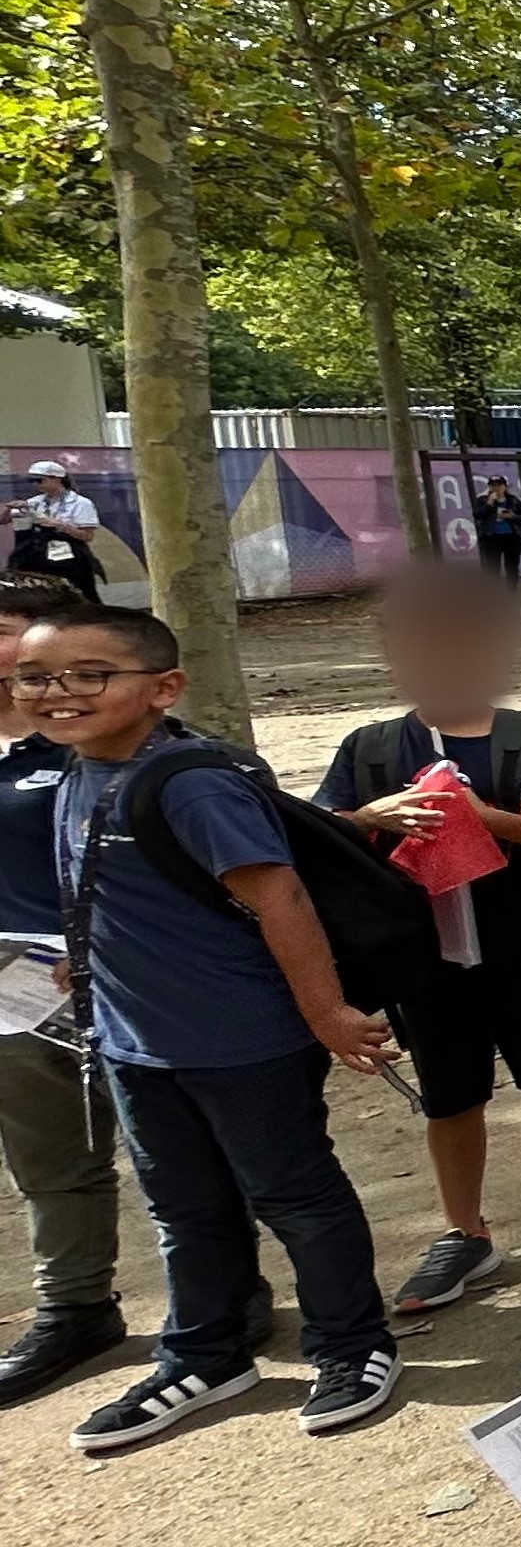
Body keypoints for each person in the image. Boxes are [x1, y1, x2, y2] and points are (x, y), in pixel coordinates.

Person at [28, 603, 400, 1452]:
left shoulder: (192, 783)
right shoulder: (80, 769)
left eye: (90, 675)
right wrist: (86, 960)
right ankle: (205, 1353)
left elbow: (280, 895)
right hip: (134, 1042)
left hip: (241, 1041)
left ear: (164, 688)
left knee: (293, 1196)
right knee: (182, 1206)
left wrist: (327, 1013)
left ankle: (352, 1343)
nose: (58, 692)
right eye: (36, 678)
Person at [315, 564, 521, 1316]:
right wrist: (371, 817)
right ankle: (464, 1232)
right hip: (423, 959)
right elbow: (319, 840)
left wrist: (486, 818)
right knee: (449, 1096)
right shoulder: (370, 748)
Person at [0, 577, 126, 1409]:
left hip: (119, 984)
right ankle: (75, 1307)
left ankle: (228, 1301)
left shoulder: (109, 740)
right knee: (49, 1163)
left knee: (184, 1155)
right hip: (10, 1002)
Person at [8, 462, 104, 602]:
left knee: (78, 594)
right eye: (32, 481)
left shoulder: (81, 503)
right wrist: (13, 509)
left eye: (40, 480)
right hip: (38, 554)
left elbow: (87, 536)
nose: (36, 485)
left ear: (56, 479)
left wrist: (60, 525)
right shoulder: (34, 502)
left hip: (69, 555)